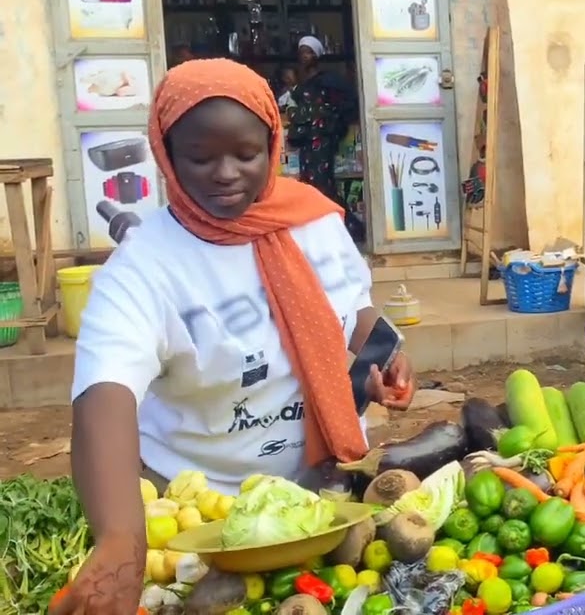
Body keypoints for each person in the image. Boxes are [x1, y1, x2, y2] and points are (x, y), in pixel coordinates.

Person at [52, 59, 416, 615]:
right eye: (200, 158)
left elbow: (354, 309)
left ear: (272, 147)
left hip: (323, 500)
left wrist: (388, 359)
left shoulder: (313, 222)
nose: (226, 173)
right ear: (167, 156)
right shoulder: (143, 267)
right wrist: (121, 542)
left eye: (246, 155)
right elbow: (104, 396)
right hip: (203, 521)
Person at [289, 35, 355, 206]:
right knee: (309, 185)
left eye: (309, 53)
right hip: (306, 141)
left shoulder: (329, 80)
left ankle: (339, 221)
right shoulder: (301, 86)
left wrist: (334, 121)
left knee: (323, 185)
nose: (304, 56)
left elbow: (349, 101)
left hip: (323, 141)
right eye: (302, 52)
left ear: (317, 56)